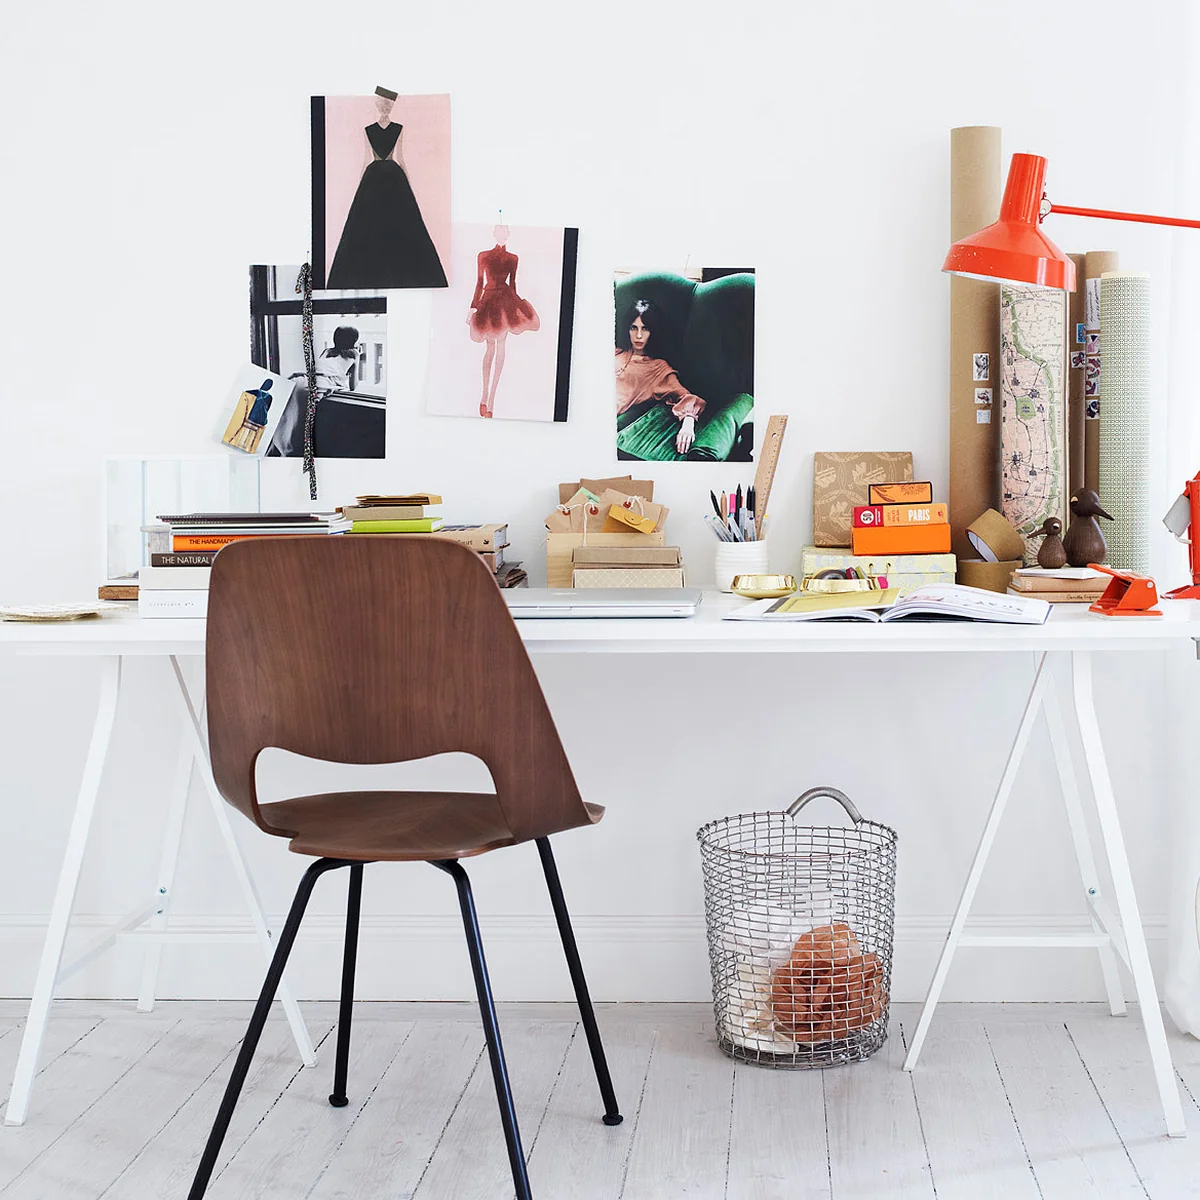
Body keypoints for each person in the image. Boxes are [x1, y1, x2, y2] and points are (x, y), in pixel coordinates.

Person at [326, 87, 447, 290]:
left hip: (373, 177)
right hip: (393, 176)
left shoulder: (369, 129)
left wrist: (361, 185)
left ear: (380, 105)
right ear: (389, 106)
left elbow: (367, 160)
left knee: (368, 227)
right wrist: (407, 185)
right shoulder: (397, 128)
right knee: (401, 225)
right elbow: (400, 159)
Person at [615, 298, 705, 456]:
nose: (638, 335)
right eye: (633, 328)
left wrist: (688, 424)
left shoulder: (658, 368)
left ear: (653, 331)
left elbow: (686, 397)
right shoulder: (616, 352)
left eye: (645, 329)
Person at [467, 225, 540, 417]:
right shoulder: (483, 255)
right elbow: (479, 283)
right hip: (489, 303)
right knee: (490, 348)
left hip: (505, 301)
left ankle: (491, 400)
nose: (502, 236)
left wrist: (515, 308)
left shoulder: (513, 258)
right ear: (494, 234)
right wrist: (473, 307)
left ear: (508, 235)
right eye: (499, 233)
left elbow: (513, 283)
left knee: (500, 346)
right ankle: (484, 396)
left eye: (505, 233)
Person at [267, 326, 360, 457]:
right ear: (354, 340)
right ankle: (288, 450)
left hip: (301, 380)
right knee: (299, 423)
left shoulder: (327, 351)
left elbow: (316, 367)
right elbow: (353, 386)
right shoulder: (354, 355)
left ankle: (277, 447)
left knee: (287, 417)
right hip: (319, 384)